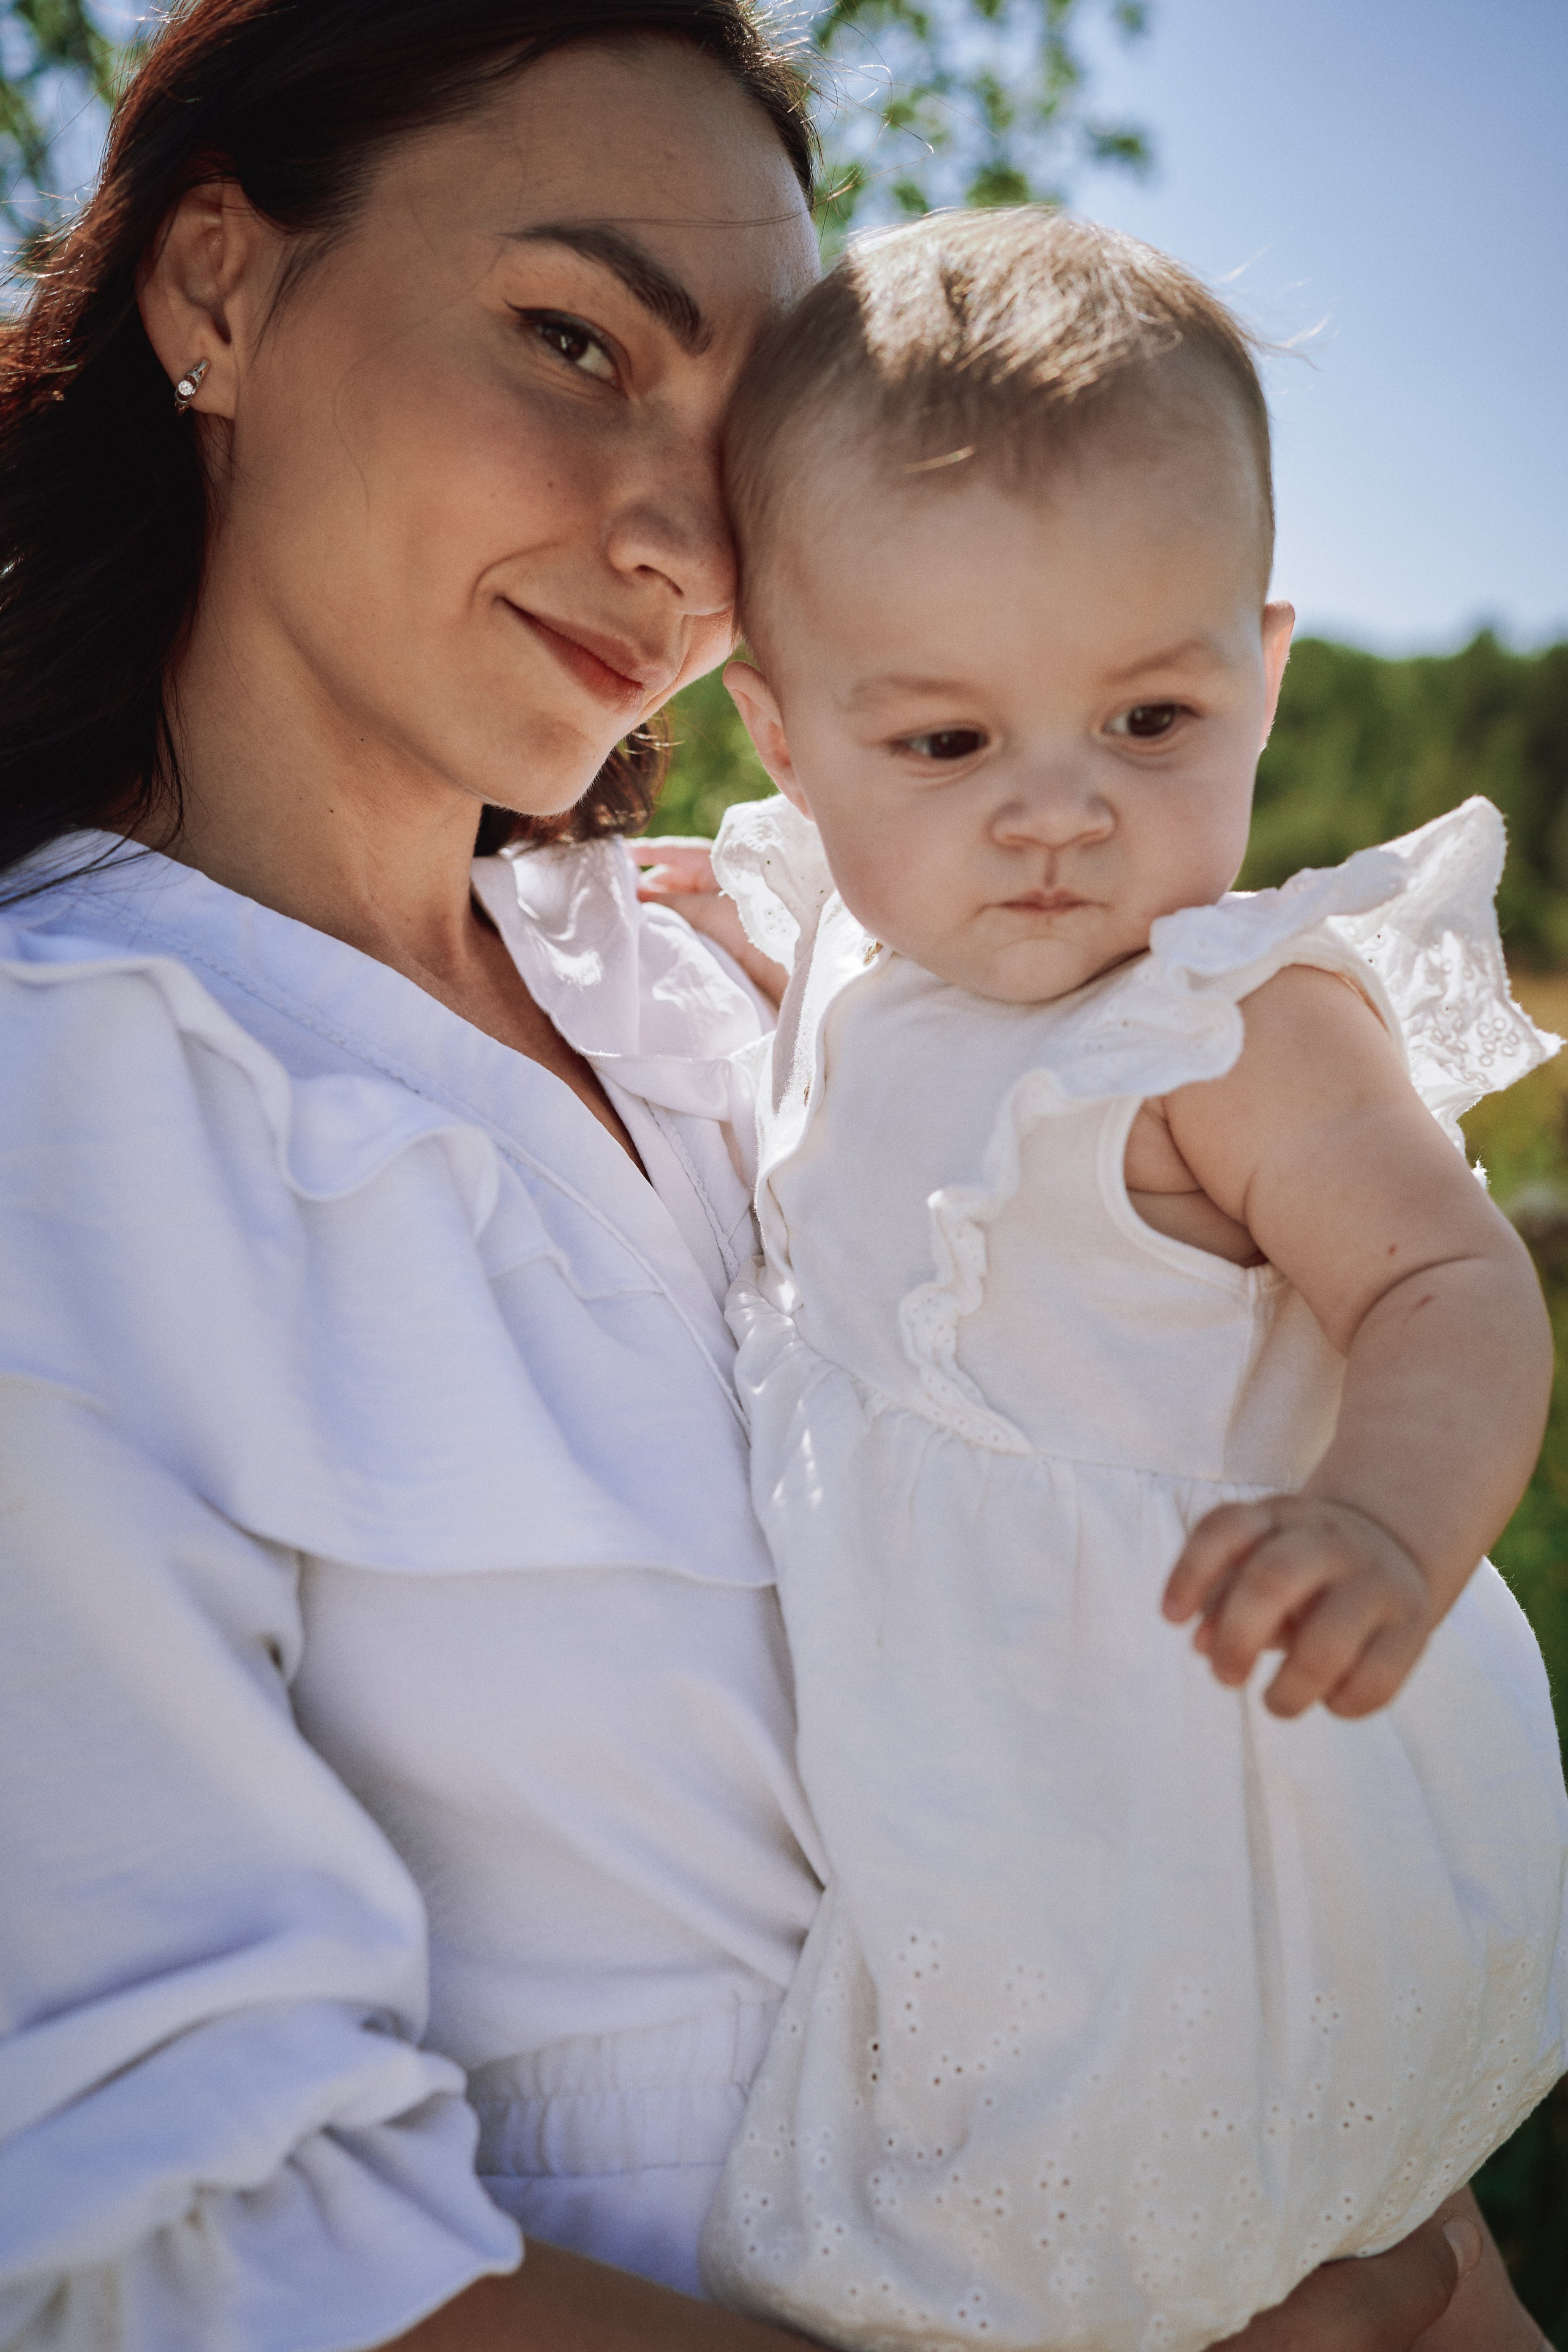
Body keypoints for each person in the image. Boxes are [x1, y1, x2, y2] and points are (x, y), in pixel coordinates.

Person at [0, 4, 1513, 2345]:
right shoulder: (72, 1104)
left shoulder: (769, 980)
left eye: (744, 429)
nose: (673, 535)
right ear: (220, 285)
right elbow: (183, 2250)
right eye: (574, 338)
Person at [689, 210, 1568, 2350]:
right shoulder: (843, 960)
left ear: (1263, 667)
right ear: (785, 735)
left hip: (1215, 1810)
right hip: (993, 1837)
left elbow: (1451, 1285)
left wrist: (1382, 1519)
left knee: (1352, 2253)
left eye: (1150, 716)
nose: (1058, 817)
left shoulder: (1235, 1023)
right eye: (947, 746)